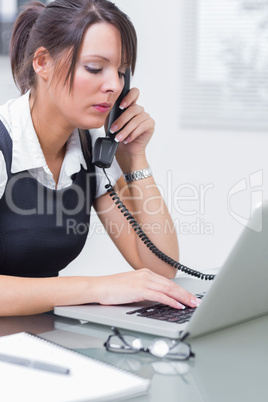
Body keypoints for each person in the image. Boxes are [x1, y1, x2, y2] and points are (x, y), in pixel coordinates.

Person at [0, 0, 201, 316]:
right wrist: (98, 287)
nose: (113, 86)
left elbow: (160, 267)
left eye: (121, 72)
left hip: (40, 334)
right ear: (42, 62)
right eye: (95, 68)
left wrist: (133, 157)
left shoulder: (88, 149)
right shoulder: (4, 143)